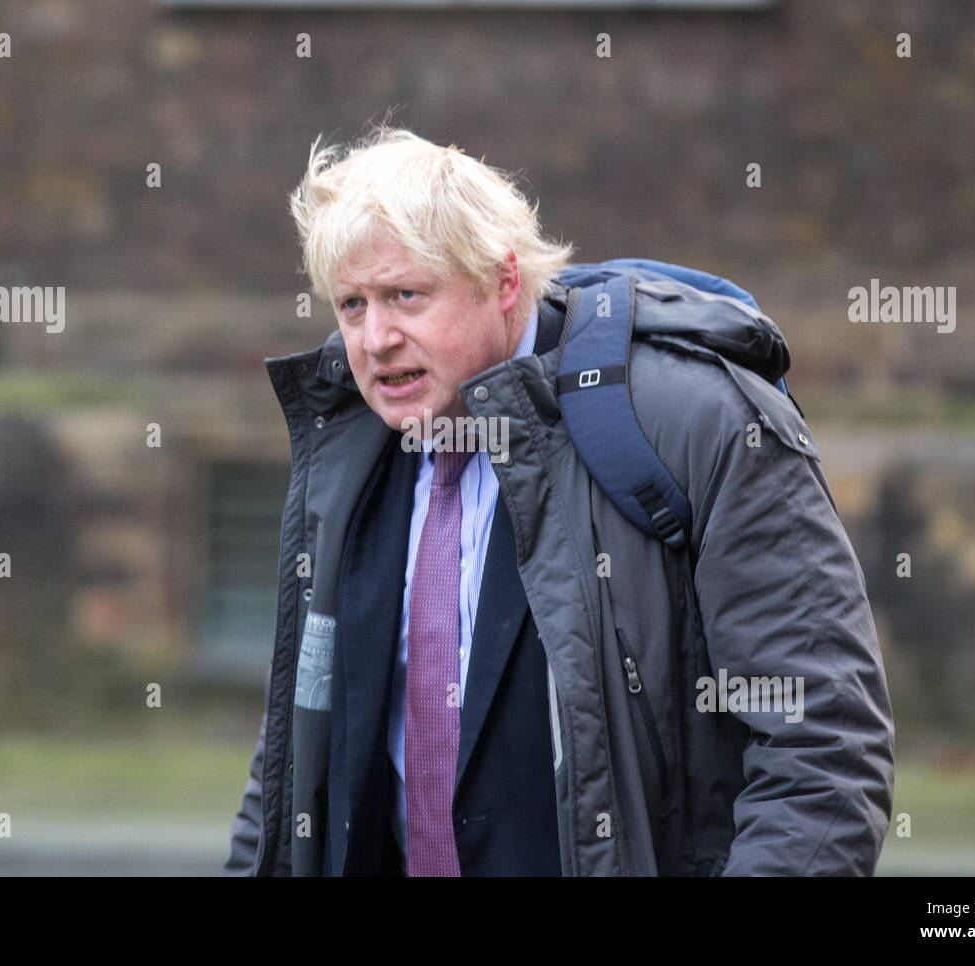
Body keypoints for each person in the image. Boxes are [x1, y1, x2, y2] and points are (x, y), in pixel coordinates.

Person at [223, 125, 895, 876]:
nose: (375, 338)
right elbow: (289, 763)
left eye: (405, 296)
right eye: (351, 305)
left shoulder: (693, 424)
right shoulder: (346, 454)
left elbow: (823, 748)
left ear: (505, 281)